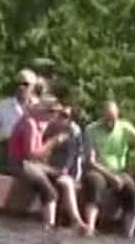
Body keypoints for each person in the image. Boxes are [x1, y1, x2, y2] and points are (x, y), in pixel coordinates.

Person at [8, 97, 89, 231]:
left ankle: (76, 220)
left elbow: (40, 155)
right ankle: (48, 227)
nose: (54, 119)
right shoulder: (30, 124)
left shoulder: (37, 124)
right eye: (54, 114)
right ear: (45, 111)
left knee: (66, 179)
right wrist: (53, 142)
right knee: (51, 193)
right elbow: (32, 154)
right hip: (21, 164)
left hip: (32, 165)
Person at [79, 100, 135, 238]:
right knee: (94, 183)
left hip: (119, 171)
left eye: (113, 119)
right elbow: (90, 162)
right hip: (98, 169)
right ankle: (90, 228)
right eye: (108, 119)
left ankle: (128, 233)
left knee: (131, 191)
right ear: (102, 116)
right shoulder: (91, 130)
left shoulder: (125, 127)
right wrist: (110, 177)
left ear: (118, 116)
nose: (111, 123)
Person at [0, 69, 37, 142]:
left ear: (33, 87)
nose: (21, 87)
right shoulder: (3, 105)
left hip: (34, 146)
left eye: (25, 84)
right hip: (7, 145)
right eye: (18, 84)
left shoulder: (40, 106)